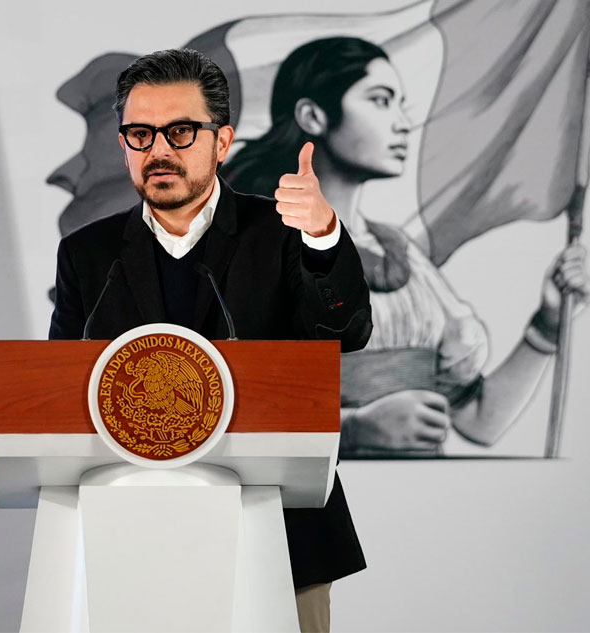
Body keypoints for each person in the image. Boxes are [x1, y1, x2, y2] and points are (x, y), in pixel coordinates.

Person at [48, 48, 371, 632]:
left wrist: (323, 236)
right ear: (123, 145)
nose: (159, 150)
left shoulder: (284, 231)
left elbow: (345, 331)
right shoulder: (87, 255)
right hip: (132, 541)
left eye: (180, 132)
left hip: (281, 536)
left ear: (222, 142)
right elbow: (60, 401)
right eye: (141, 134)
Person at [223, 37, 590, 457]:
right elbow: (225, 407)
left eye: (401, 105)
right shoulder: (259, 246)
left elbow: (479, 421)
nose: (402, 123)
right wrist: (352, 429)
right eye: (381, 101)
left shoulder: (400, 252)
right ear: (313, 116)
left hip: (421, 491)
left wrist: (547, 325)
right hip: (321, 492)